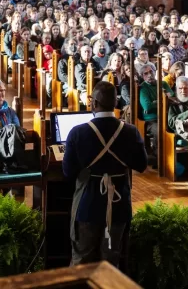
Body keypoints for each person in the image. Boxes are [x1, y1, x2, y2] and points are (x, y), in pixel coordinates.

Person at [62, 81, 147, 268]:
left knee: (81, 260)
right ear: (115, 103)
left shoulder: (78, 132)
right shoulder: (131, 131)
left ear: (94, 103)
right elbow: (141, 165)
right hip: (118, 206)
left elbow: (68, 172)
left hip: (87, 204)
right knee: (110, 262)